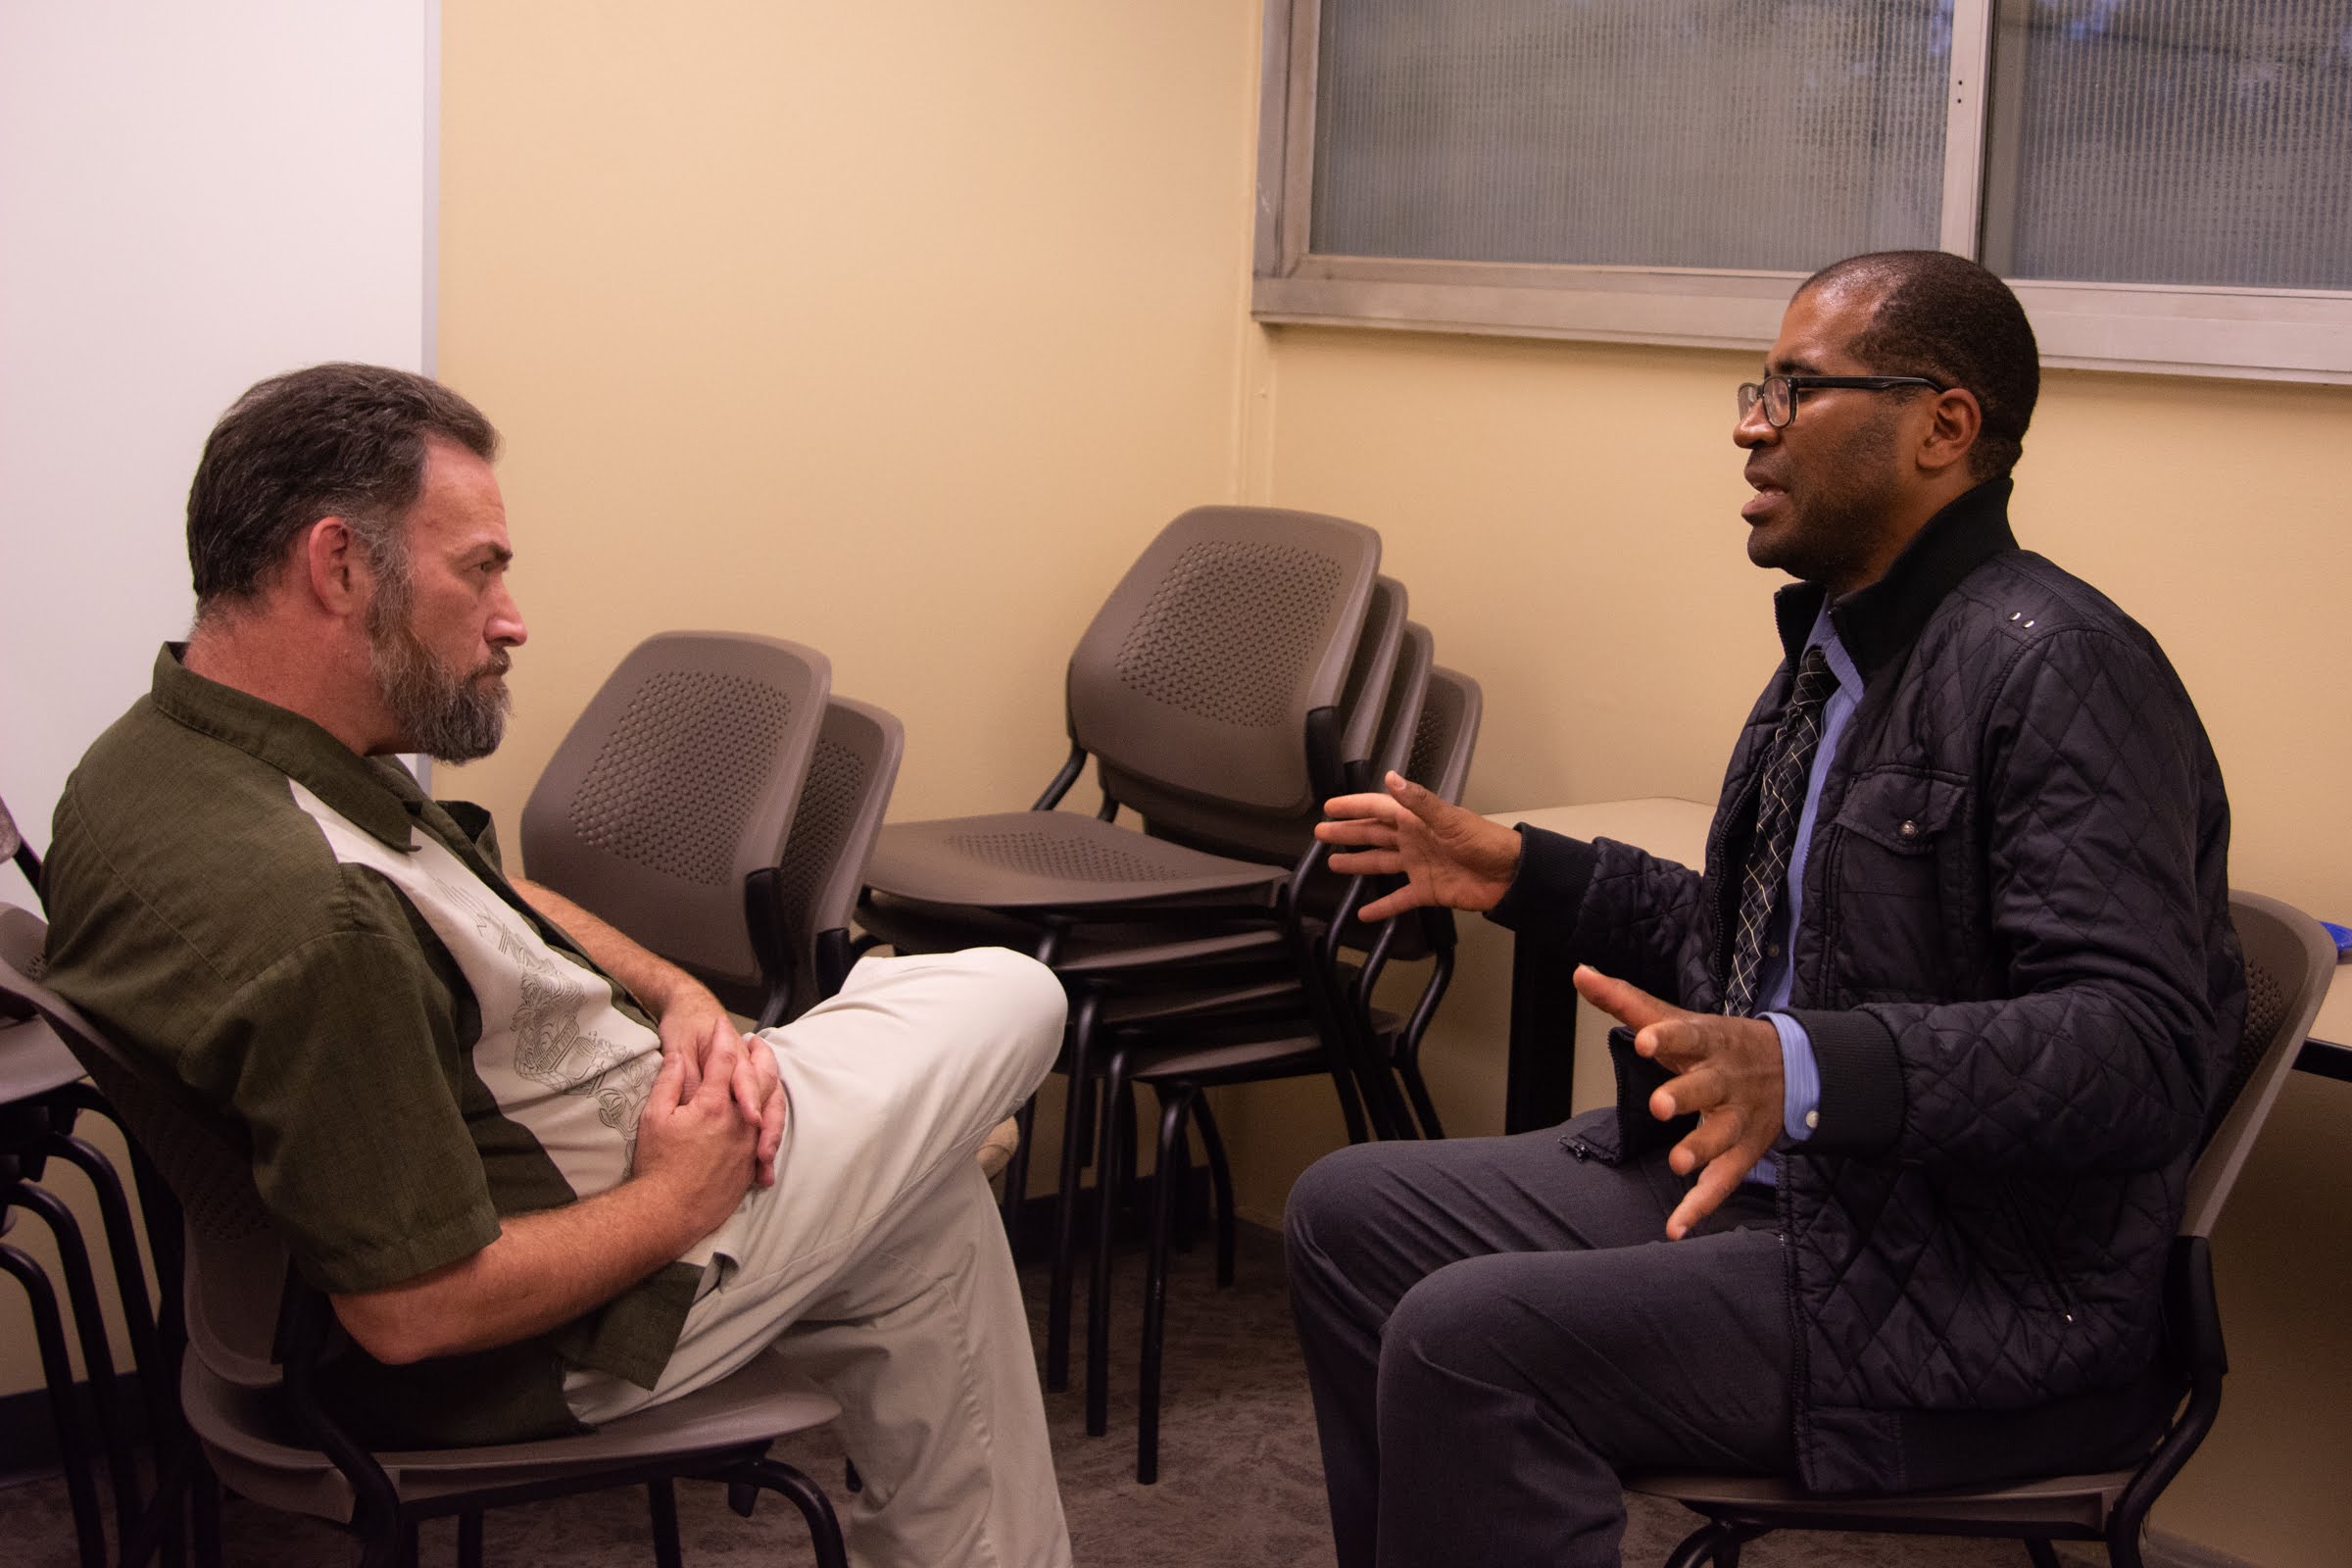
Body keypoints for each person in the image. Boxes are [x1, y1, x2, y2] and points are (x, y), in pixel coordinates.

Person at [1290, 252, 2243, 1568]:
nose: (1751, 423)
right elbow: (1752, 954)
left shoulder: (2063, 667)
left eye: (1798, 390)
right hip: (1801, 1208)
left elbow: (2139, 1051)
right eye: (1760, 388)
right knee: (1349, 1214)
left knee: (1474, 1341)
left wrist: (1800, 1066)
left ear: (1942, 426)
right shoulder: (1839, 656)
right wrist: (1526, 876)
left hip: (1974, 1287)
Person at [40, 364, 1074, 1568]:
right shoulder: (317, 921)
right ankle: (855, 1096)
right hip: (584, 1315)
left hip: (622, 1147)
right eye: (480, 568)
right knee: (1011, 989)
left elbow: (496, 894)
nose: (513, 616)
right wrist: (684, 1194)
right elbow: (415, 1310)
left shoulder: (171, 756)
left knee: (921, 1210)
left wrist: (681, 997)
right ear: (339, 566)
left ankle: (868, 1116)